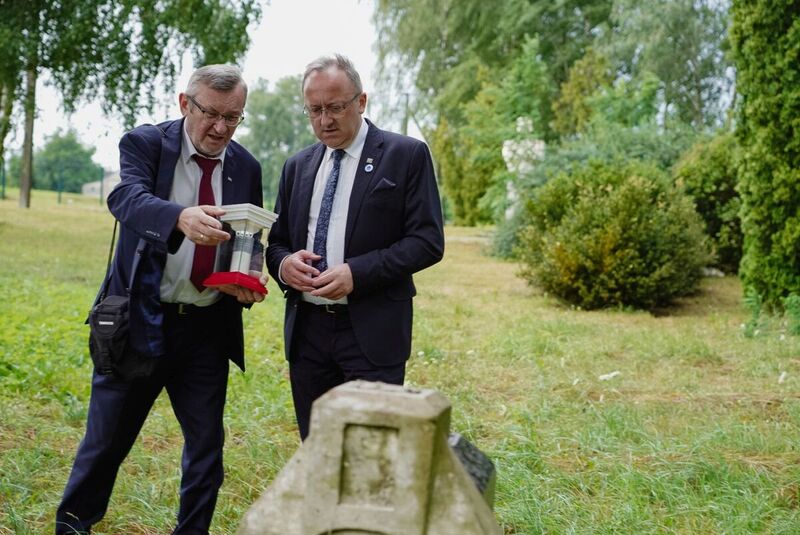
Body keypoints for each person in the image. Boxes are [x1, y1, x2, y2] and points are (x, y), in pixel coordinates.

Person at [56, 64, 266, 534]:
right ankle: (71, 527)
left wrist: (243, 279)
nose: (220, 128)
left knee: (207, 449)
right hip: (140, 321)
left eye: (234, 118)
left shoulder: (246, 166)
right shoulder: (147, 144)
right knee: (105, 443)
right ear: (184, 103)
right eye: (210, 113)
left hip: (207, 329)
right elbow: (125, 199)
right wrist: (178, 218)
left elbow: (246, 240)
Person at [266, 54, 445, 440]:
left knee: (371, 456)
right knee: (317, 452)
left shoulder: (406, 155)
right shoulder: (296, 166)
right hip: (308, 334)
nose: (325, 120)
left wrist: (356, 274)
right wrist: (284, 266)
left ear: (361, 102)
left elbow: (427, 242)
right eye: (314, 110)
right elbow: (277, 243)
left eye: (335, 107)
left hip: (372, 333)